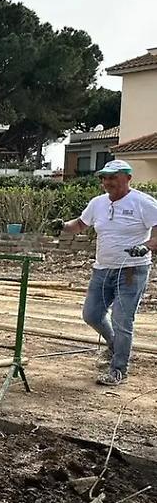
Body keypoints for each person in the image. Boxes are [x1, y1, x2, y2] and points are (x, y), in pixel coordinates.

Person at [59, 159, 157, 385]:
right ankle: (114, 346)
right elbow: (81, 225)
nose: (107, 182)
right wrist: (63, 226)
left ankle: (119, 369)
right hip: (103, 269)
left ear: (128, 178)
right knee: (91, 314)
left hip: (132, 270)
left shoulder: (143, 203)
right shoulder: (98, 203)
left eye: (113, 177)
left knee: (122, 319)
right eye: (104, 178)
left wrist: (146, 246)